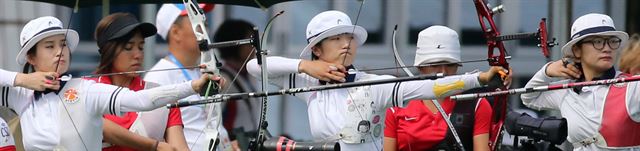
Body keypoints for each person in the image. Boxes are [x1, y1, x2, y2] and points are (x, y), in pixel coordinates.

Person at [246, 10, 510, 150]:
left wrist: (479, 78)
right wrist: (306, 67)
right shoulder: (307, 84)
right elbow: (254, 67)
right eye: (336, 39)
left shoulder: (373, 85)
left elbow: (430, 86)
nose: (346, 44)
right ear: (317, 49)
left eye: (349, 37)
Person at [0, 16, 222, 150]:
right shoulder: (19, 94)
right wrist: (21, 79)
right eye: (50, 46)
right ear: (31, 57)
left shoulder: (85, 89)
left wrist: (192, 86)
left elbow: (140, 99)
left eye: (63, 44)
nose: (60, 52)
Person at [520, 13, 640, 150]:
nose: (607, 48)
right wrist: (546, 71)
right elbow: (529, 97)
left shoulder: (633, 86)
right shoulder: (567, 89)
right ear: (577, 50)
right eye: (598, 42)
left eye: (612, 41)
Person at [87, 13, 188, 151]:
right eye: (128, 47)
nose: (138, 55)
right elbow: (102, 127)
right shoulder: (87, 89)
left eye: (141, 47)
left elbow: (179, 147)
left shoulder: (161, 95)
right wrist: (154, 146)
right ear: (108, 50)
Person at [383, 26, 492, 151]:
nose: (443, 72)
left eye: (450, 65)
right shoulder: (396, 107)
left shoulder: (476, 104)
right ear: (420, 67)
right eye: (435, 65)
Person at [145, 4, 234, 151]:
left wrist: (228, 146)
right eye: (197, 23)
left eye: (205, 23)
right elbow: (152, 136)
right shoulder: (158, 76)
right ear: (175, 32)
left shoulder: (202, 70)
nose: (205, 30)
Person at [214, 19, 261, 150]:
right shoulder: (222, 79)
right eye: (250, 42)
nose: (255, 47)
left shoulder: (246, 75)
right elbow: (212, 121)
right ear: (236, 44)